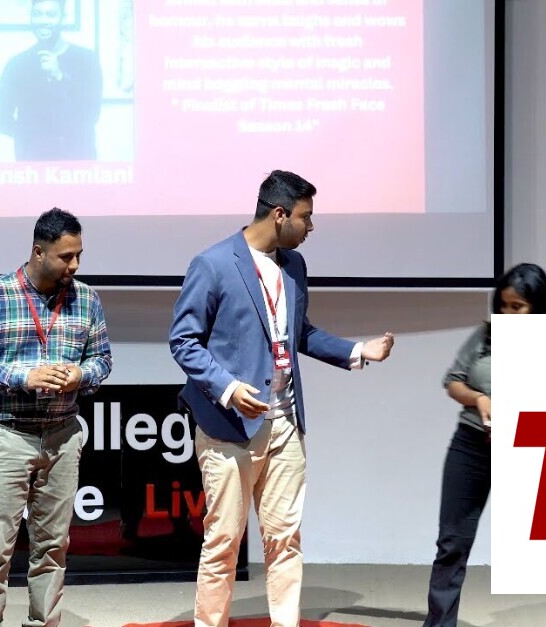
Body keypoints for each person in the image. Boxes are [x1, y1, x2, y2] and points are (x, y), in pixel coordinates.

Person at [168, 169, 397, 627]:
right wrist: (229, 389)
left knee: (285, 538)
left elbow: (299, 333)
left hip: (286, 423)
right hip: (228, 427)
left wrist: (357, 351)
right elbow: (184, 341)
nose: (311, 227)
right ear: (279, 214)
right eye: (305, 217)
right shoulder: (213, 264)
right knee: (224, 541)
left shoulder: (294, 266)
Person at [422, 262, 546, 627]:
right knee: (452, 543)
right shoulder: (486, 336)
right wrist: (479, 398)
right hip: (471, 446)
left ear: (537, 307)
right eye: (503, 306)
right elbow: (453, 380)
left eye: (518, 307)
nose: (508, 314)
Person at [0, 207, 112, 627]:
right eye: (65, 257)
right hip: (6, 433)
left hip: (63, 434)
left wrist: (80, 375)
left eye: (78, 256)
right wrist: (25, 377)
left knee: (53, 548)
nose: (74, 266)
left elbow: (102, 360)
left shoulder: (87, 299)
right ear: (38, 252)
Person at [0, 0, 103, 161]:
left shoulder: (87, 59)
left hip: (78, 162)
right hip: (33, 162)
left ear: (63, 18)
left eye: (51, 14)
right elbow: (0, 120)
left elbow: (92, 113)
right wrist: (35, 139)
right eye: (37, 14)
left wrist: (59, 76)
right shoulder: (16, 64)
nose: (43, 21)